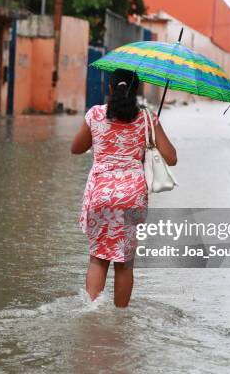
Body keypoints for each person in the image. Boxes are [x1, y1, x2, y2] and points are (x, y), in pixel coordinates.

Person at [71, 68, 177, 308]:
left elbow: (76, 148)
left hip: (101, 193)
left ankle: (92, 313)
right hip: (131, 197)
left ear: (110, 88)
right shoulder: (147, 119)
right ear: (137, 91)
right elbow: (171, 158)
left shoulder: (96, 114)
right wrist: (149, 137)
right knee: (124, 263)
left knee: (98, 259)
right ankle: (120, 319)